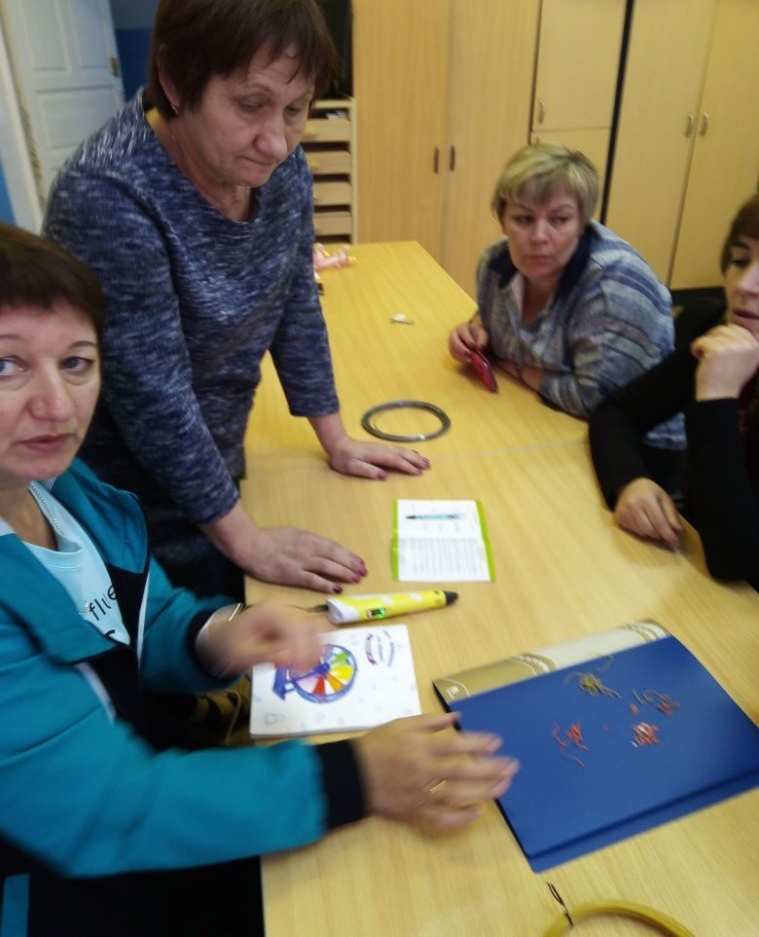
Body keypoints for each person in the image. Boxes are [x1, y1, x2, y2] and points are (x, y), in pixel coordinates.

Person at [0, 223, 518, 937]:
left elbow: (135, 618)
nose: (58, 406)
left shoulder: (60, 487)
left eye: (77, 363)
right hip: (55, 891)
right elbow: (106, 810)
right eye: (7, 365)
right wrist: (358, 777)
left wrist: (216, 634)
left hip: (130, 790)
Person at [44, 0, 428, 605]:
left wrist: (335, 438)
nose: (276, 142)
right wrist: (245, 538)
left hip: (220, 470)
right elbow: (155, 396)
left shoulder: (280, 168)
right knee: (192, 646)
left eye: (296, 109)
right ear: (175, 80)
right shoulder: (107, 194)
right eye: (250, 105)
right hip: (131, 505)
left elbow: (294, 301)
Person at [448, 144, 683, 452]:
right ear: (502, 220)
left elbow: (599, 401)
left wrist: (517, 369)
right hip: (539, 419)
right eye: (523, 219)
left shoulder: (612, 285)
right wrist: (476, 332)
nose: (539, 237)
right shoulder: (495, 263)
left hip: (636, 450)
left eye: (559, 220)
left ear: (582, 224)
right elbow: (492, 322)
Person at [589, 194, 759, 589]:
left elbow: (735, 557)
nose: (745, 286)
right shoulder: (712, 325)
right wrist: (631, 480)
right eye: (740, 260)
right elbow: (616, 412)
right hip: (691, 565)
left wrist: (716, 395)